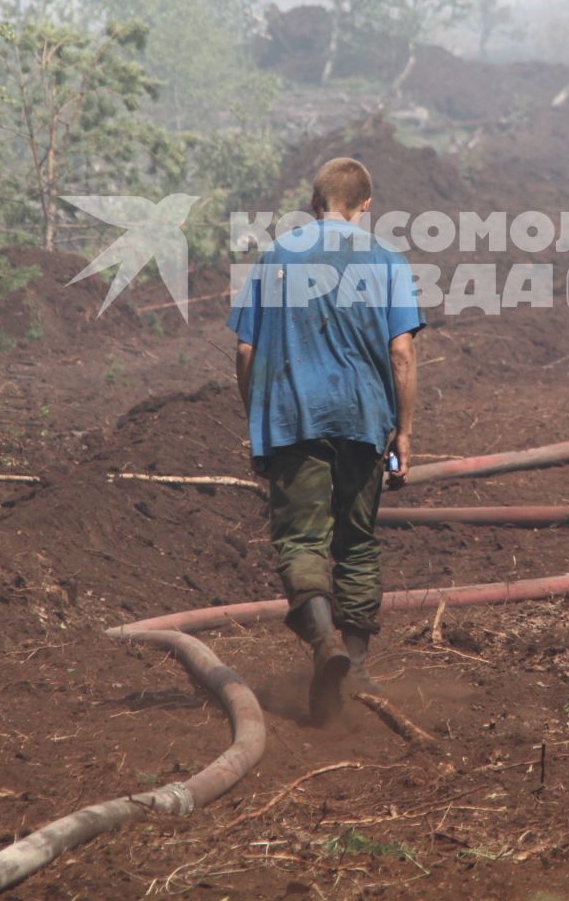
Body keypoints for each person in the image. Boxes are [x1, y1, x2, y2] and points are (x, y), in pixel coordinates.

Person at [228, 157, 422, 722]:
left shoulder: (277, 256)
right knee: (357, 542)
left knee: (301, 542)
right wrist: (404, 431)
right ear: (365, 205)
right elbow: (402, 353)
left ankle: (325, 645)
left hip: (293, 420)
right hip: (363, 418)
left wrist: (259, 422)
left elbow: (245, 352)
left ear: (313, 203)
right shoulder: (386, 259)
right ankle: (355, 666)